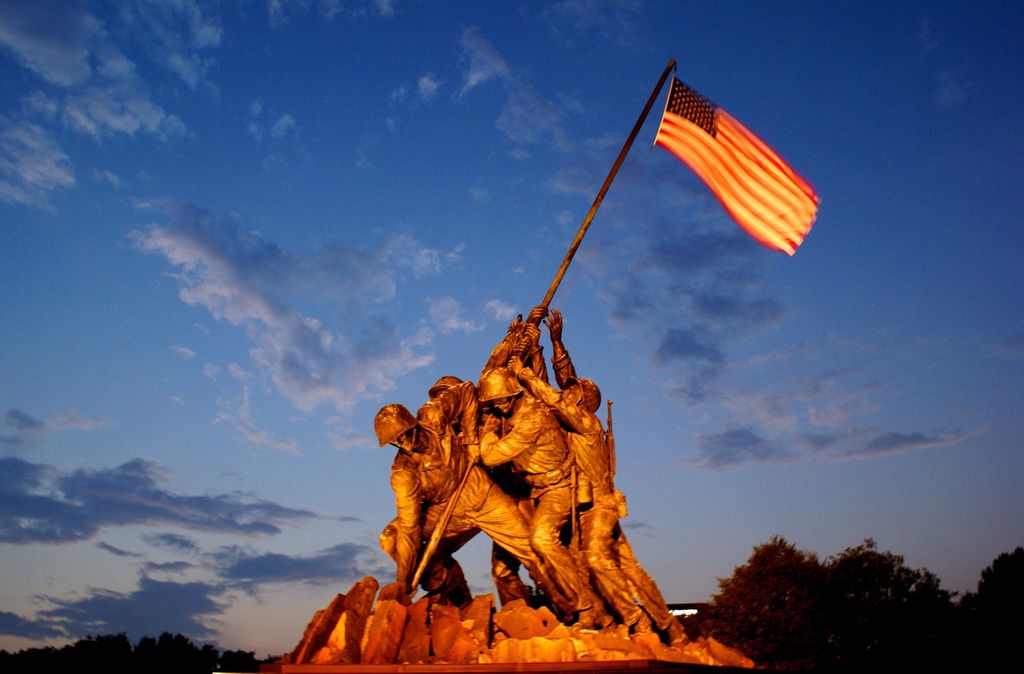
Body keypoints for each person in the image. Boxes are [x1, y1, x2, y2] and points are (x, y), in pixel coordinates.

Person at [514, 309, 687, 642]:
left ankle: (638, 620)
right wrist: (548, 343)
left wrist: (525, 375)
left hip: (599, 506)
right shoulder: (572, 421)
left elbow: (552, 396)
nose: (564, 392)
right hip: (588, 506)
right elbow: (558, 384)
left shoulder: (586, 424)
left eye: (571, 392)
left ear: (579, 402)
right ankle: (670, 626)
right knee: (629, 567)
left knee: (596, 558)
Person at [374, 381, 558, 607]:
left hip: (485, 496)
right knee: (392, 537)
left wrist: (471, 439)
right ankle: (450, 589)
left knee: (531, 551)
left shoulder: (439, 416)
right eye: (396, 440)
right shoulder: (404, 472)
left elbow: (467, 390)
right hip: (447, 511)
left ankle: (567, 606)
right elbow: (410, 526)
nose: (403, 441)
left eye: (404, 433)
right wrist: (404, 581)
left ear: (412, 424)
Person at [476, 365, 594, 625]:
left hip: (558, 488)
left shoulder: (532, 417)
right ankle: (523, 619)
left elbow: (491, 455)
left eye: (502, 400)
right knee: (504, 561)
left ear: (515, 395)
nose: (499, 406)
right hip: (530, 491)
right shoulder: (511, 410)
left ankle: (585, 606)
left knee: (541, 539)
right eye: (494, 402)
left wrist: (489, 430)